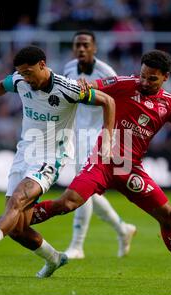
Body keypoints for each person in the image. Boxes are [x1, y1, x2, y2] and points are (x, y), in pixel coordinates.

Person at [30, 50, 171, 281]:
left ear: (165, 77)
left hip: (129, 167)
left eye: (152, 78)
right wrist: (83, 84)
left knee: (168, 216)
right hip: (103, 160)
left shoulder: (170, 104)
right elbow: (88, 86)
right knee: (67, 203)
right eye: (143, 75)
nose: (144, 81)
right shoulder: (124, 84)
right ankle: (19, 221)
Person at [0, 46, 116, 278]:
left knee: (17, 200)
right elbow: (2, 86)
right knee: (17, 228)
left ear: (43, 65)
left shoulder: (68, 88)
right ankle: (54, 258)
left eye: (29, 72)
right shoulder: (20, 80)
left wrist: (107, 135)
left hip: (52, 157)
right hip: (24, 153)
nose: (25, 78)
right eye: (22, 73)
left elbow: (108, 101)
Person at [62, 30, 136, 259]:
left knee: (80, 187)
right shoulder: (68, 69)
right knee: (90, 192)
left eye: (86, 45)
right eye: (78, 45)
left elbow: (117, 103)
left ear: (95, 48)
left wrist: (112, 138)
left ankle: (77, 246)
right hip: (76, 135)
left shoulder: (106, 73)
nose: (81, 49)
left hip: (97, 137)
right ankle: (122, 229)